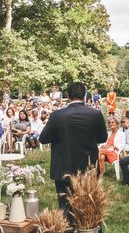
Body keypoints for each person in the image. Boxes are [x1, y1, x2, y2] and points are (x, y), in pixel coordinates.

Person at [39, 82, 108, 218]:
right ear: (84, 95)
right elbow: (102, 137)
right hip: (88, 167)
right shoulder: (95, 114)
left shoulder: (57, 115)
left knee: (66, 206)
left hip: (64, 166)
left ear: (67, 96)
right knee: (89, 205)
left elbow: (43, 138)